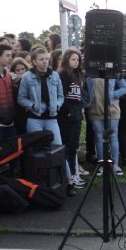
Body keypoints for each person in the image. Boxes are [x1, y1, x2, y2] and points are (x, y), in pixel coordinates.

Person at [18, 47, 75, 194]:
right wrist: (32, 105)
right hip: (34, 119)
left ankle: (69, 182)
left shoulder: (55, 75)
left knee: (58, 149)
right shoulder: (27, 77)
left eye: (46, 59)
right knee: (38, 152)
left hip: (51, 119)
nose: (45, 62)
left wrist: (57, 104)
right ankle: (40, 187)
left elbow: (61, 96)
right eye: (41, 59)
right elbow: (21, 98)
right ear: (35, 61)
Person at [85, 75, 126, 178]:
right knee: (99, 137)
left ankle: (115, 165)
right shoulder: (90, 72)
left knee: (113, 137)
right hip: (95, 109)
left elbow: (125, 88)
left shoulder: (114, 71)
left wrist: (113, 94)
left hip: (112, 109)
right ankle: (101, 165)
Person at [57, 49, 89, 188]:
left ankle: (74, 174)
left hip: (77, 114)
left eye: (77, 60)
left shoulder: (78, 75)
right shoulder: (63, 74)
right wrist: (67, 111)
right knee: (68, 145)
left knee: (74, 146)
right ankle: (69, 176)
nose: (76, 62)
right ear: (66, 60)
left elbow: (80, 96)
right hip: (67, 116)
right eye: (73, 59)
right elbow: (61, 95)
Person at [0, 44, 16, 140]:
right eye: (7, 55)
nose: (11, 58)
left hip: (10, 123)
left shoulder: (8, 75)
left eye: (11, 55)